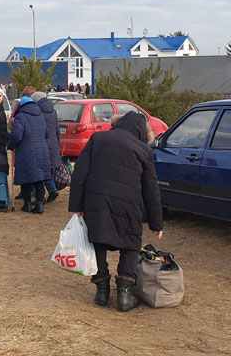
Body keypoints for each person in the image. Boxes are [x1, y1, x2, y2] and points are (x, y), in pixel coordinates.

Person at [68, 111, 163, 312]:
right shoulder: (144, 150)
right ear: (142, 132)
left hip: (97, 201)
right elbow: (151, 188)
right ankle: (124, 296)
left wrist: (77, 205)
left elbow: (80, 172)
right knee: (130, 244)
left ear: (118, 123)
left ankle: (102, 291)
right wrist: (156, 223)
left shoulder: (99, 138)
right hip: (129, 205)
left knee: (98, 241)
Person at [7, 95, 51, 214]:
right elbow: (46, 133)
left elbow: (16, 135)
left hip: (26, 151)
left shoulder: (21, 116)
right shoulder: (40, 116)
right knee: (39, 179)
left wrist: (10, 145)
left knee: (25, 178)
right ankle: (39, 204)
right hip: (42, 150)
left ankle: (27, 204)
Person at [30, 91, 61, 203]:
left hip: (41, 143)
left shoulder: (36, 111)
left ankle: (44, 194)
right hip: (53, 143)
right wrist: (57, 145)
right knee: (47, 169)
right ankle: (52, 189)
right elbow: (57, 130)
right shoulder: (53, 111)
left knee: (40, 170)